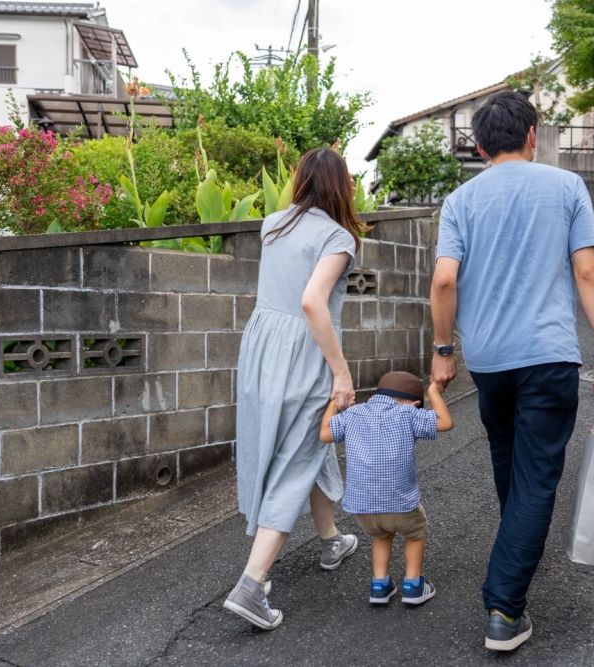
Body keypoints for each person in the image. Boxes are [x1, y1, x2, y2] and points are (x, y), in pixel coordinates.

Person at [429, 90, 594, 652]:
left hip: (490, 362)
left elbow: (443, 280)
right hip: (549, 356)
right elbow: (586, 271)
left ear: (480, 145)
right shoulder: (566, 187)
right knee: (535, 478)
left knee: (511, 467)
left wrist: (445, 351)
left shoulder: (460, 200)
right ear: (532, 136)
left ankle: (513, 568)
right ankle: (504, 608)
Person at [223, 147, 367, 631]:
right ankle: (252, 583)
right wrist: (341, 373)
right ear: (342, 185)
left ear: (301, 180)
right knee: (295, 459)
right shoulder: (338, 237)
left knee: (306, 446)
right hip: (304, 354)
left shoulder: (273, 224)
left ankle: (330, 540)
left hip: (262, 351)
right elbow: (312, 302)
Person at [319, 371, 454, 606]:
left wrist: (334, 402)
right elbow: (445, 422)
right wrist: (433, 391)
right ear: (414, 403)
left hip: (364, 509)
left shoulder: (354, 413)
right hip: (402, 505)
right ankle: (413, 586)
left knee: (381, 536)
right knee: (414, 535)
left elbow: (325, 434)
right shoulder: (409, 413)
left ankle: (379, 586)